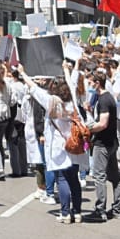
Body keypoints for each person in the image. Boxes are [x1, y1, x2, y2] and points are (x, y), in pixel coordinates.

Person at [41, 79, 83, 223]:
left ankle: (65, 213)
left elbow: (34, 89)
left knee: (62, 179)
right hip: (75, 144)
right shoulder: (73, 105)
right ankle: (77, 212)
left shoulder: (53, 105)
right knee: (74, 179)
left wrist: (22, 73)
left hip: (60, 145)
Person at [85, 72, 120, 221]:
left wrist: (88, 130)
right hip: (111, 142)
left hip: (103, 143)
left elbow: (103, 123)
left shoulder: (105, 100)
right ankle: (117, 209)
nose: (89, 85)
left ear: (97, 83)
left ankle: (100, 210)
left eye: (90, 83)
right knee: (115, 178)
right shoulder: (106, 98)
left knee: (100, 176)